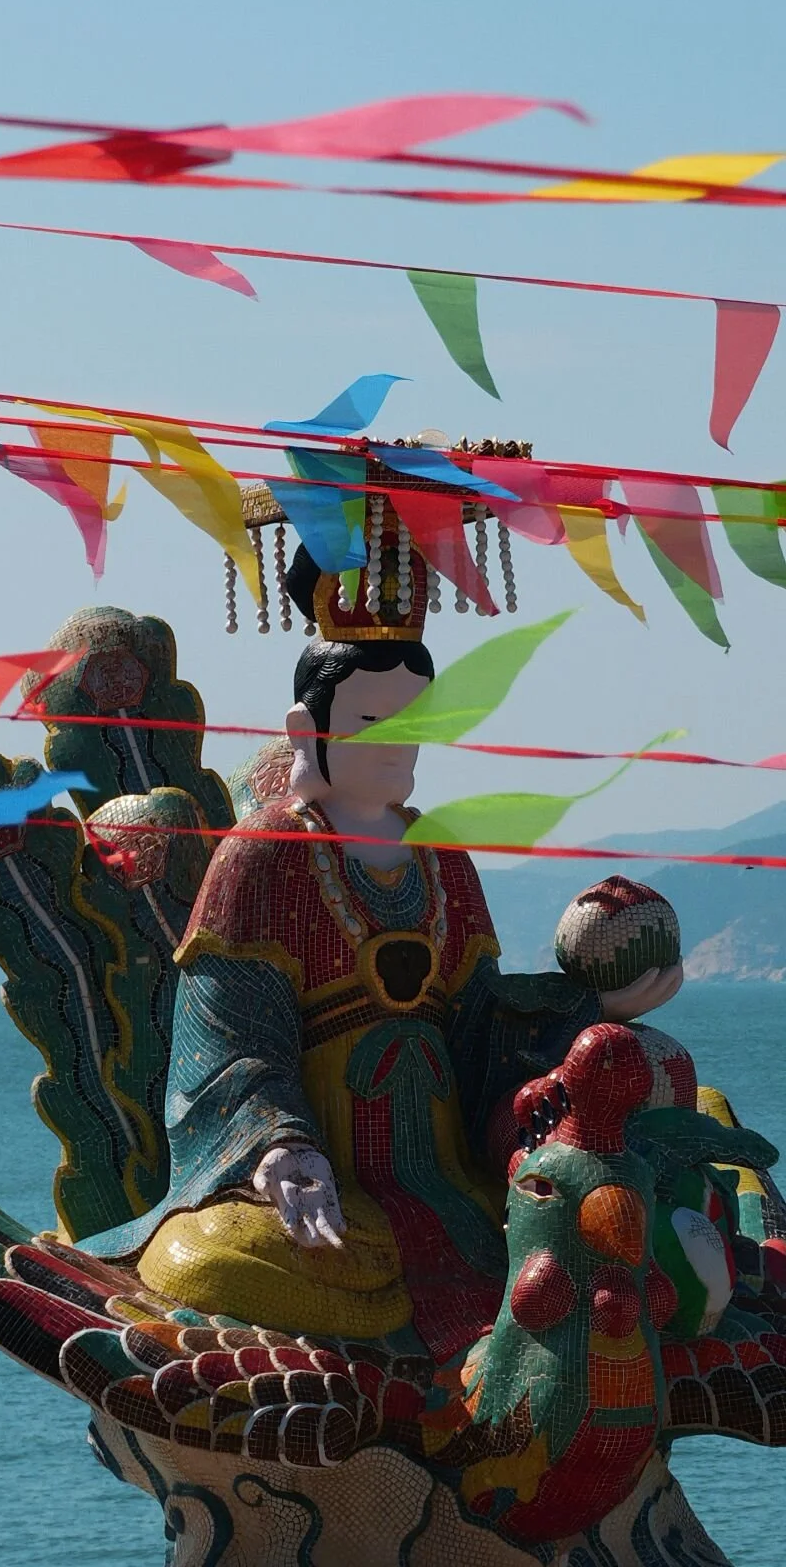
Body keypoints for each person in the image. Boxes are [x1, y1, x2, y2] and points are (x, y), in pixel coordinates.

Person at [83, 508, 681, 1357]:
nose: (400, 746)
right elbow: (223, 1037)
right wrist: (279, 1146)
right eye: (372, 722)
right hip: (321, 1175)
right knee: (201, 1260)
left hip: (444, 1177)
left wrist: (591, 1006)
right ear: (308, 729)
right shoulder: (264, 859)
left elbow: (482, 1022)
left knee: (587, 1216)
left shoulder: (440, 858)